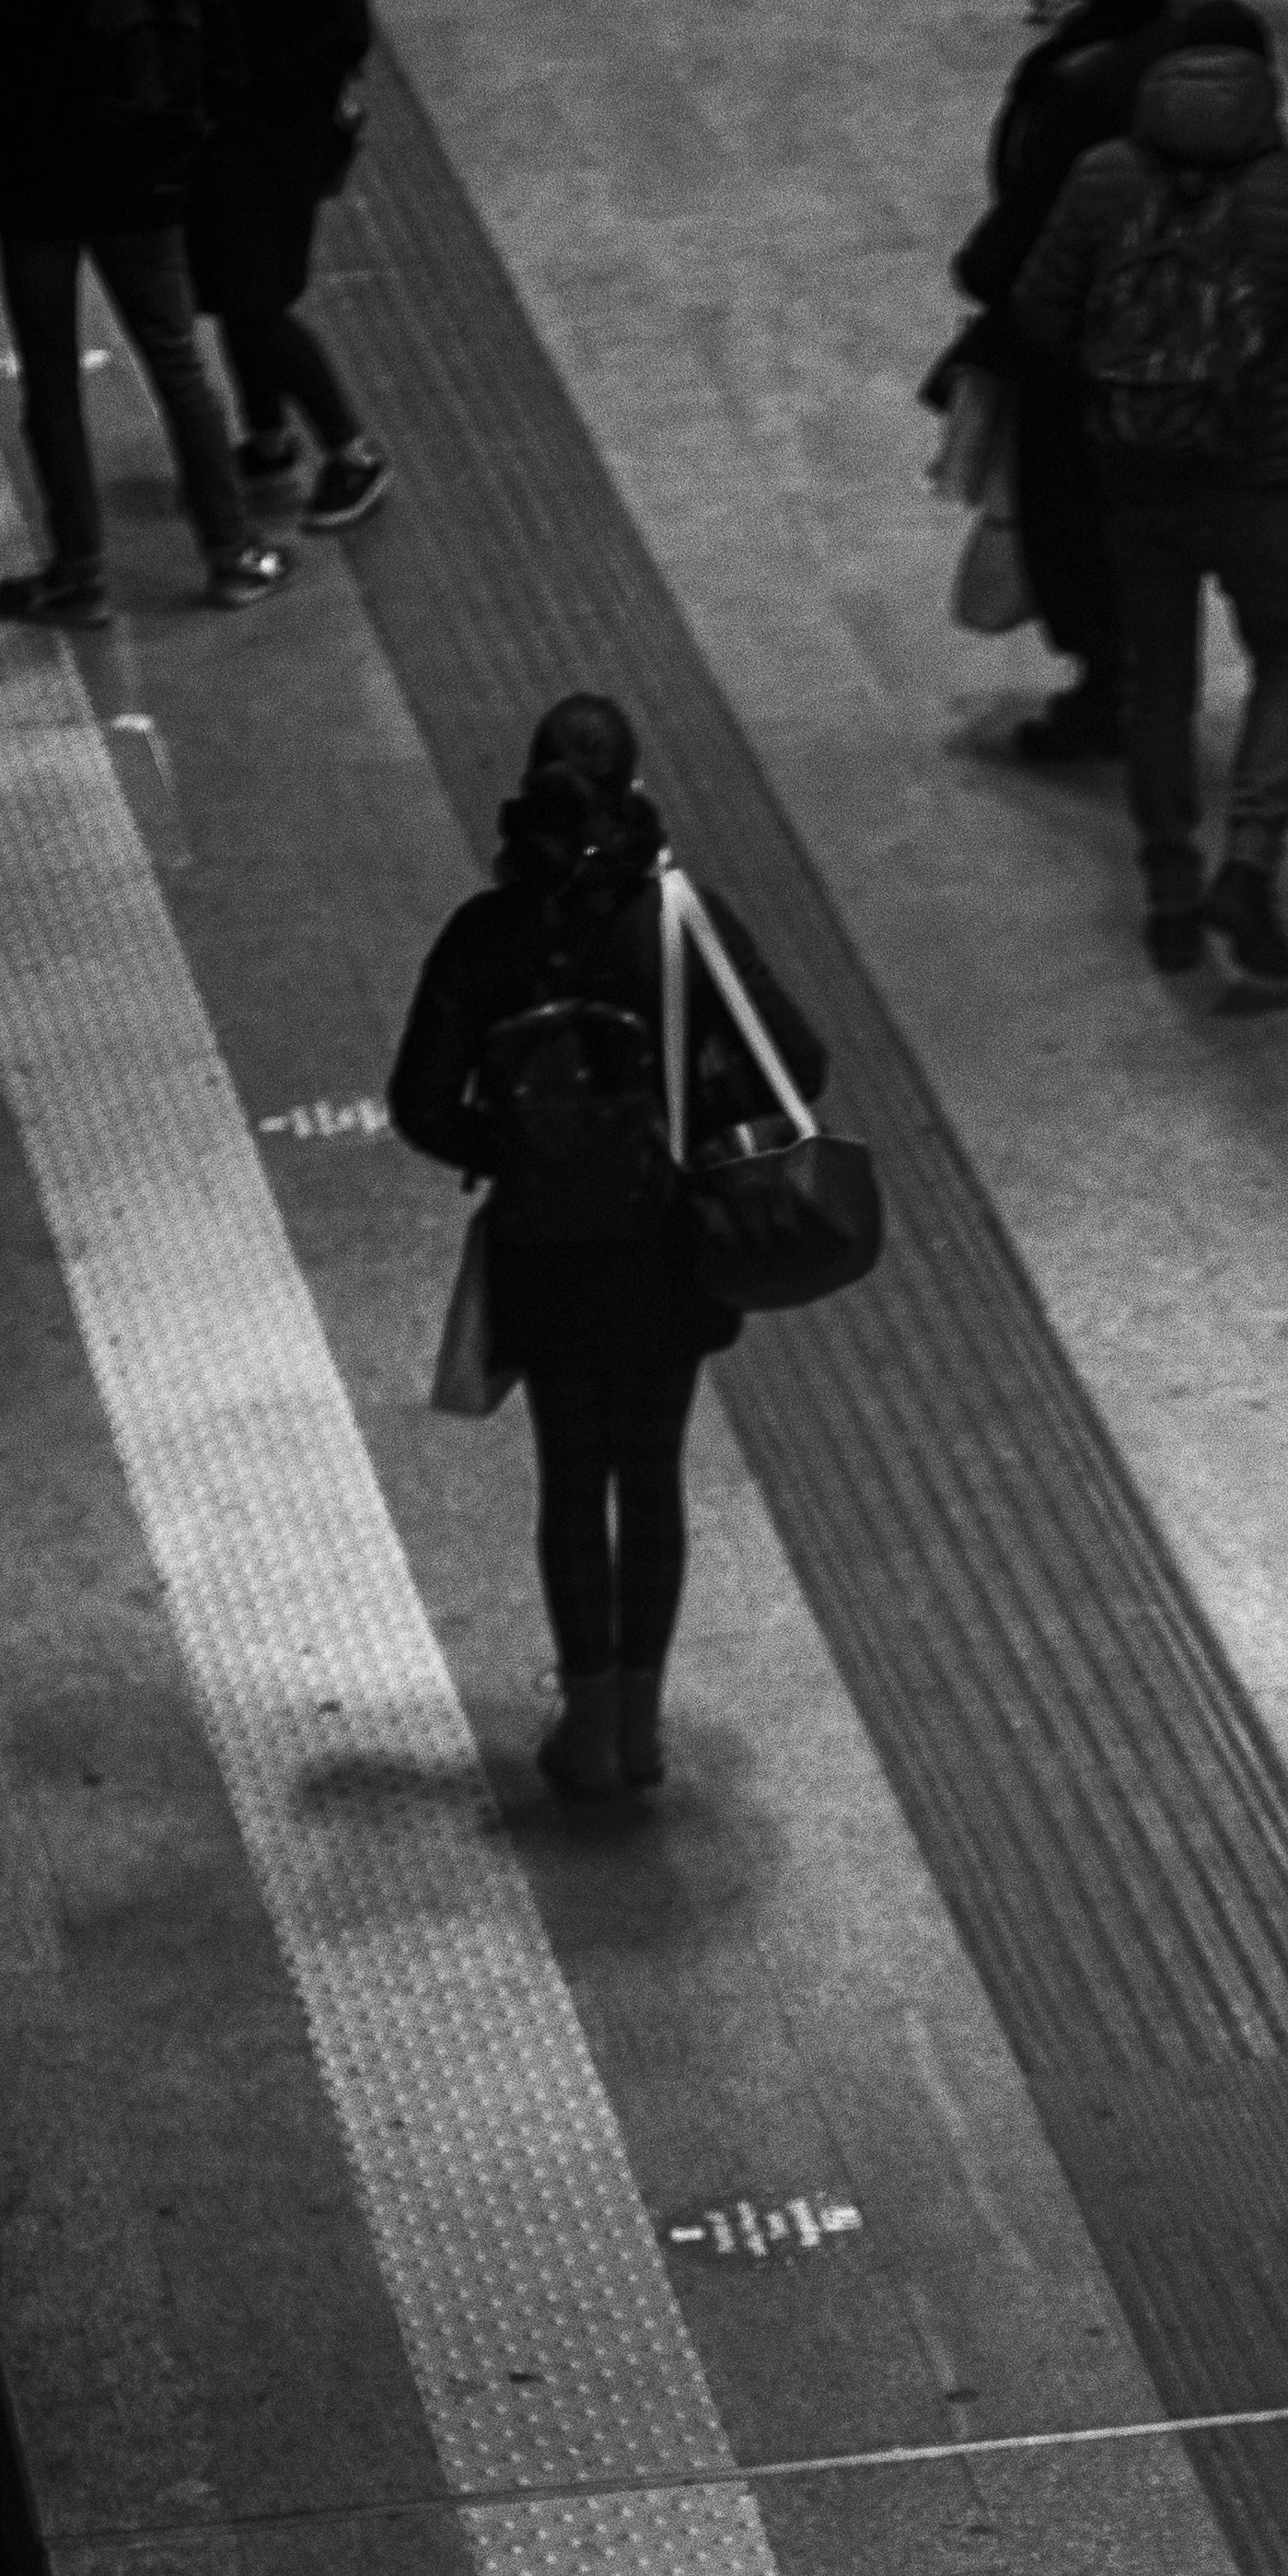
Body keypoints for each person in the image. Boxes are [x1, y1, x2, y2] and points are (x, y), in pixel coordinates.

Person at [389, 697, 828, 1807]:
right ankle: (639, 1729)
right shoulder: (683, 920)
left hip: (547, 1250)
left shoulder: (485, 936)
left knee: (573, 1480)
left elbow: (421, 1102)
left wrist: (525, 1148)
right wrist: (680, 1117)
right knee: (654, 1473)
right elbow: (799, 1065)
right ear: (632, 796)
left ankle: (583, 1733)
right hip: (664, 1240)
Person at [1012, 0, 1288, 1006]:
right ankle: (1249, 867)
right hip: (1254, 472)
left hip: (1133, 475)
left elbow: (1038, 314)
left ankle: (1168, 883)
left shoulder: (1102, 181)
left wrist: (1122, 372)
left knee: (1158, 682)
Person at [0, 0, 286, 623]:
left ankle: (80, 576)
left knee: (52, 385)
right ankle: (230, 555)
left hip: (38, 197)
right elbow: (225, 65)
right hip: (145, 192)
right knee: (180, 368)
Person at [941, 0, 1182, 764]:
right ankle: (1132, 671)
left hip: (1078, 339)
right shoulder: (1182, 46)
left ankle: (1109, 687)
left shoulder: (1080, 81)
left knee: (1074, 517)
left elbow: (1037, 210)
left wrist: (988, 274)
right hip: (1164, 331)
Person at [179, 0, 385, 535]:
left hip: (275, 142)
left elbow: (345, 34)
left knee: (256, 300)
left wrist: (248, 76)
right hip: (220, 132)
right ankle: (266, 437)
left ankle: (352, 451)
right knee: (234, 293)